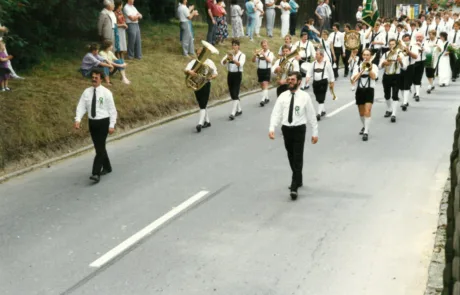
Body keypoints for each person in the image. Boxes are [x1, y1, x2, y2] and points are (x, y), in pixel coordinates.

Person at [268, 71, 318, 200]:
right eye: (288, 79)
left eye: (292, 80)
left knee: (297, 156)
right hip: (286, 129)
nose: (290, 81)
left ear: (299, 82)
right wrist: (272, 127)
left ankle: (294, 185)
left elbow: (311, 115)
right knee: (290, 155)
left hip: (299, 129)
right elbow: (276, 113)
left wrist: (315, 132)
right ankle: (298, 177)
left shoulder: (304, 97)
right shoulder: (283, 96)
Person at [74, 68, 118, 183]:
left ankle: (96, 173)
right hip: (92, 122)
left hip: (103, 122)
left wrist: (112, 125)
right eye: (92, 77)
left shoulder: (106, 93)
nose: (94, 80)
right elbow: (81, 106)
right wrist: (78, 119)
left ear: (101, 79)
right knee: (99, 146)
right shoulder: (86, 92)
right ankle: (107, 167)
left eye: (96, 78)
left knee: (99, 148)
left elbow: (112, 110)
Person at [184, 46, 218, 132]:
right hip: (196, 84)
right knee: (201, 103)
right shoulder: (193, 62)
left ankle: (200, 123)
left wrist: (211, 77)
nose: (199, 55)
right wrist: (189, 72)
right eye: (198, 54)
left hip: (206, 84)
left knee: (203, 104)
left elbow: (215, 73)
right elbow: (186, 69)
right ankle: (207, 121)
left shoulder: (209, 62)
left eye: (200, 53)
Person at [351, 49, 378, 141]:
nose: (366, 56)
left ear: (370, 56)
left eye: (368, 55)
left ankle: (366, 131)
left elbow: (374, 77)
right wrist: (362, 70)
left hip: (369, 90)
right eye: (364, 55)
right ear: (362, 56)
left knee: (367, 110)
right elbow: (353, 79)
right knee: (361, 112)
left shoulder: (373, 66)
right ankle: (364, 126)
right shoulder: (358, 66)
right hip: (360, 90)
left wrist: (369, 69)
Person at [379, 38, 406, 123]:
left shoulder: (400, 54)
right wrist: (384, 63)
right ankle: (389, 109)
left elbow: (404, 67)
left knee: (395, 95)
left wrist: (400, 62)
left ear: (396, 45)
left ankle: (394, 114)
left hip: (396, 76)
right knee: (387, 95)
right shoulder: (386, 54)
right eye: (390, 44)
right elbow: (379, 66)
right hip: (387, 76)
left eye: (393, 44)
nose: (391, 46)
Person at [305, 49, 334, 121]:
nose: (315, 55)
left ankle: (318, 114)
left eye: (317, 54)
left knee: (321, 98)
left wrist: (332, 81)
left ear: (322, 55)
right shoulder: (313, 63)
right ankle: (323, 110)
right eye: (316, 54)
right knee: (318, 98)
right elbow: (309, 72)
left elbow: (331, 73)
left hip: (323, 82)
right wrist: (308, 77)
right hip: (315, 83)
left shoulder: (327, 63)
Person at [221, 39, 246, 120]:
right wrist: (227, 58)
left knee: (235, 93)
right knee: (232, 94)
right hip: (230, 74)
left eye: (235, 45)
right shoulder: (229, 54)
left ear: (238, 46)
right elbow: (222, 63)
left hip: (237, 74)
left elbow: (240, 64)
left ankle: (233, 113)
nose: (234, 46)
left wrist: (233, 59)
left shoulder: (242, 55)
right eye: (233, 45)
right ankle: (239, 109)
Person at [398, 34, 418, 111]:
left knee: (406, 84)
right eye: (405, 40)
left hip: (410, 66)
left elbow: (415, 57)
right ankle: (404, 100)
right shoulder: (399, 47)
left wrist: (408, 51)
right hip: (401, 66)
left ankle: (405, 102)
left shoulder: (414, 46)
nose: (406, 41)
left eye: (407, 40)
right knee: (401, 85)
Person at [252, 39, 274, 106]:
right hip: (260, 70)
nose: (264, 46)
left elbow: (269, 60)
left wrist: (264, 54)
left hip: (267, 69)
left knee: (265, 84)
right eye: (263, 45)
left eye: (265, 45)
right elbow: (253, 61)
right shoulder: (259, 53)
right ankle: (266, 98)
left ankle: (262, 100)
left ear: (268, 45)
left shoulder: (270, 53)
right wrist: (255, 55)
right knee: (262, 85)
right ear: (261, 46)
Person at [411, 33, 425, 101]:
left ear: (423, 38)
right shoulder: (413, 44)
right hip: (413, 62)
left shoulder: (425, 43)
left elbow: (428, 51)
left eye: (420, 37)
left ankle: (417, 94)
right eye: (417, 37)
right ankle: (416, 91)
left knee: (418, 78)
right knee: (413, 78)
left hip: (421, 62)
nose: (419, 38)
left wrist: (422, 46)